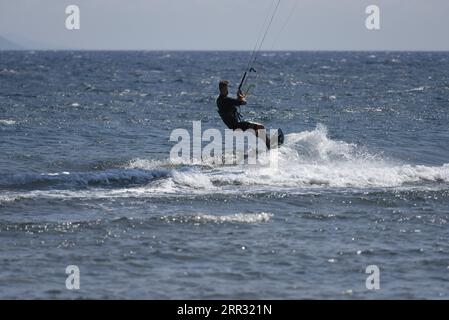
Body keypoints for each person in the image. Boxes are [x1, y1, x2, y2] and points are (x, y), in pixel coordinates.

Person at [216, 80, 270, 148]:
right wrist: (241, 96)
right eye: (226, 88)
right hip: (237, 126)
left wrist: (239, 98)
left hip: (233, 127)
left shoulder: (219, 100)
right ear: (223, 89)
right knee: (261, 127)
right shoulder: (226, 100)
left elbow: (233, 103)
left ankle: (268, 145)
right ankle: (270, 146)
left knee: (256, 131)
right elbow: (243, 102)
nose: (227, 90)